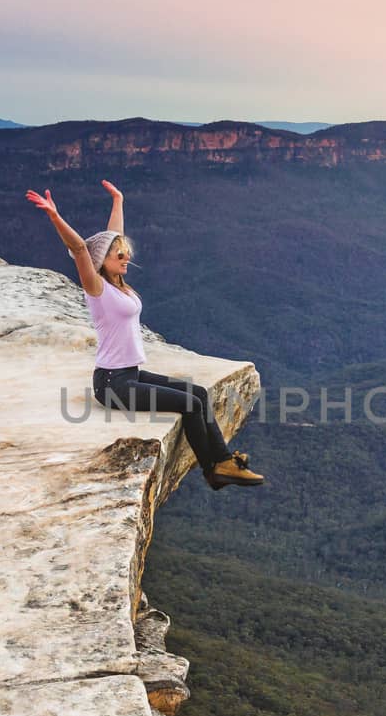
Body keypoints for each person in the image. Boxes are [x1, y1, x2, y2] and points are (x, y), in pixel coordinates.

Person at [27, 179, 263, 490]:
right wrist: (55, 217)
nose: (126, 257)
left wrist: (118, 201)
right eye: (118, 255)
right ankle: (215, 468)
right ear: (101, 262)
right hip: (112, 384)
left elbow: (114, 238)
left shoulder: (119, 286)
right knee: (189, 405)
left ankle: (222, 462)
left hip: (130, 374)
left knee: (199, 395)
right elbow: (81, 248)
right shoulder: (97, 290)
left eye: (125, 253)